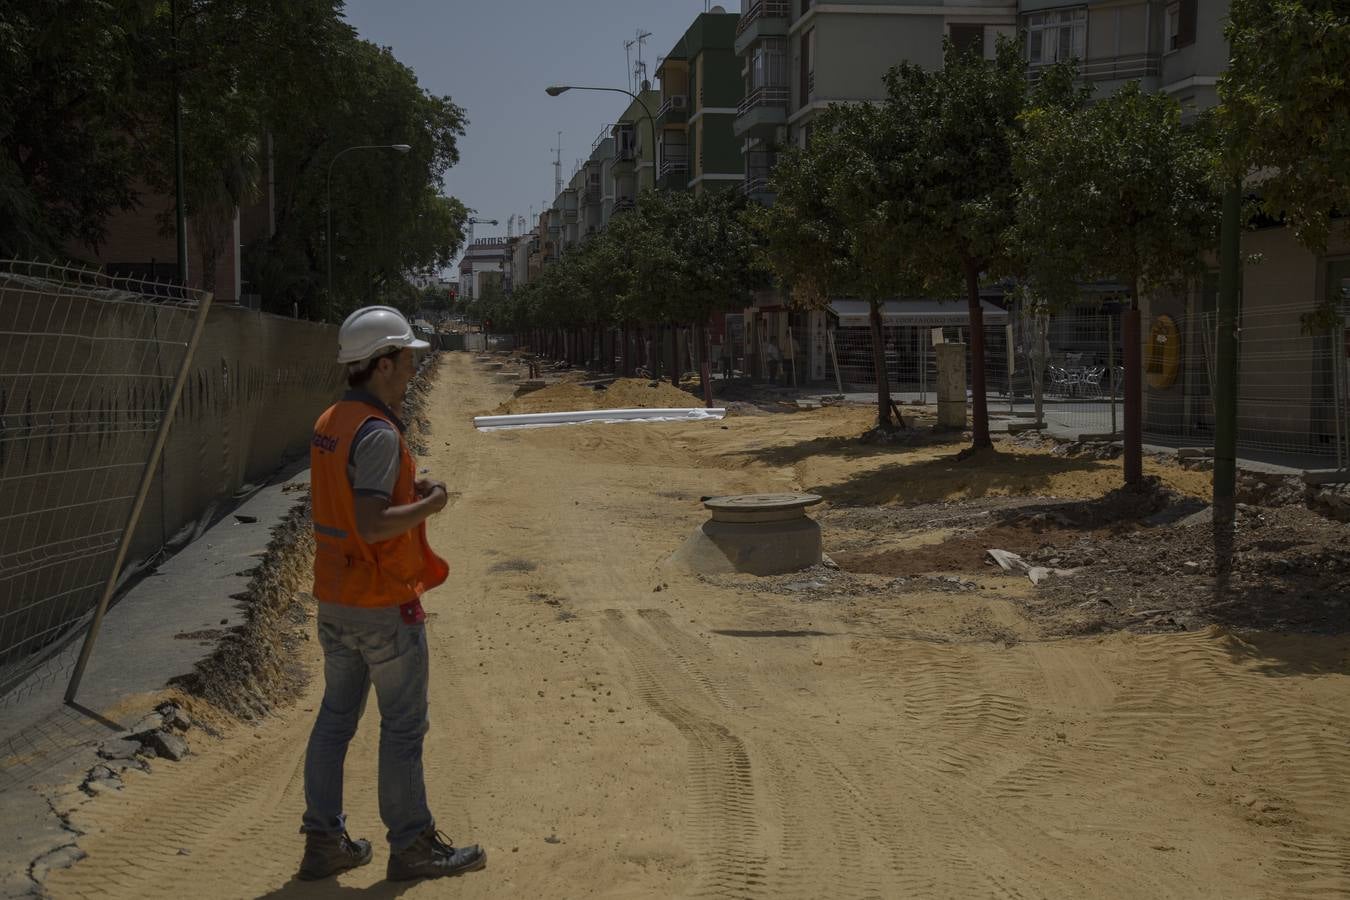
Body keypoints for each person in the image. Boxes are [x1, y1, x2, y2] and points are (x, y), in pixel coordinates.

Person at [298, 306, 486, 883]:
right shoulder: (377, 431)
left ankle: (324, 843)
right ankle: (412, 846)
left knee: (335, 720)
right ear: (382, 364)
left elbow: (356, 503)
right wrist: (430, 502)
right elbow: (374, 522)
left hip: (337, 597)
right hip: (381, 602)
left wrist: (411, 485)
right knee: (403, 728)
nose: (411, 369)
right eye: (406, 359)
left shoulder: (334, 419)